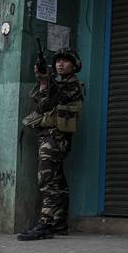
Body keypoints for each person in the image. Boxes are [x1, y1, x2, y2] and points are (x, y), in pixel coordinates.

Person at [17, 47, 84, 241]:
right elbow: (39, 100)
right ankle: (59, 222)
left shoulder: (72, 86)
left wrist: (46, 82)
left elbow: (44, 105)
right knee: (57, 180)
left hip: (56, 139)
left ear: (74, 65)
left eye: (65, 61)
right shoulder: (59, 84)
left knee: (46, 180)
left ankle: (45, 223)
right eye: (58, 61)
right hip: (49, 137)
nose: (60, 64)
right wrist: (44, 81)